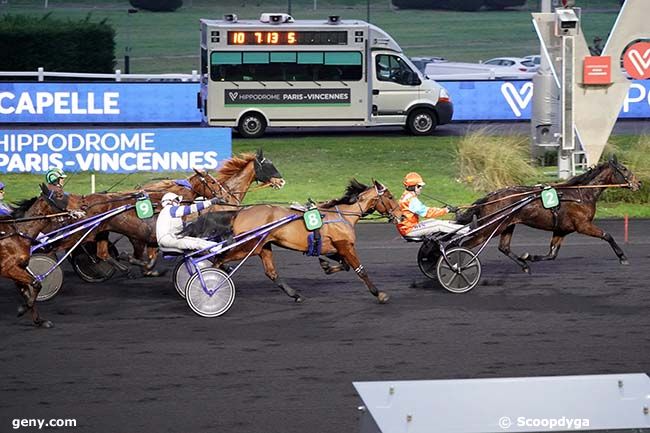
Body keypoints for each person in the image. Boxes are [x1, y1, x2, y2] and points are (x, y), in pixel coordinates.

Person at [396, 172, 468, 239]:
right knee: (438, 225)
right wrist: (446, 210)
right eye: (419, 186)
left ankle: (457, 224)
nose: (421, 188)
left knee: (433, 221)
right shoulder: (411, 200)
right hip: (410, 230)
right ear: (413, 187)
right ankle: (468, 230)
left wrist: (442, 210)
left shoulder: (406, 196)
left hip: (409, 227)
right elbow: (427, 213)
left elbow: (426, 210)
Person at [156, 192, 226, 252]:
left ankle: (217, 247)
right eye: (176, 200)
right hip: (169, 239)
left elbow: (177, 227)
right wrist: (211, 202)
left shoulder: (166, 212)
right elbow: (190, 209)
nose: (178, 202)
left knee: (198, 240)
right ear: (170, 201)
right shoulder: (170, 209)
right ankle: (217, 249)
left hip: (170, 238)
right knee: (195, 243)